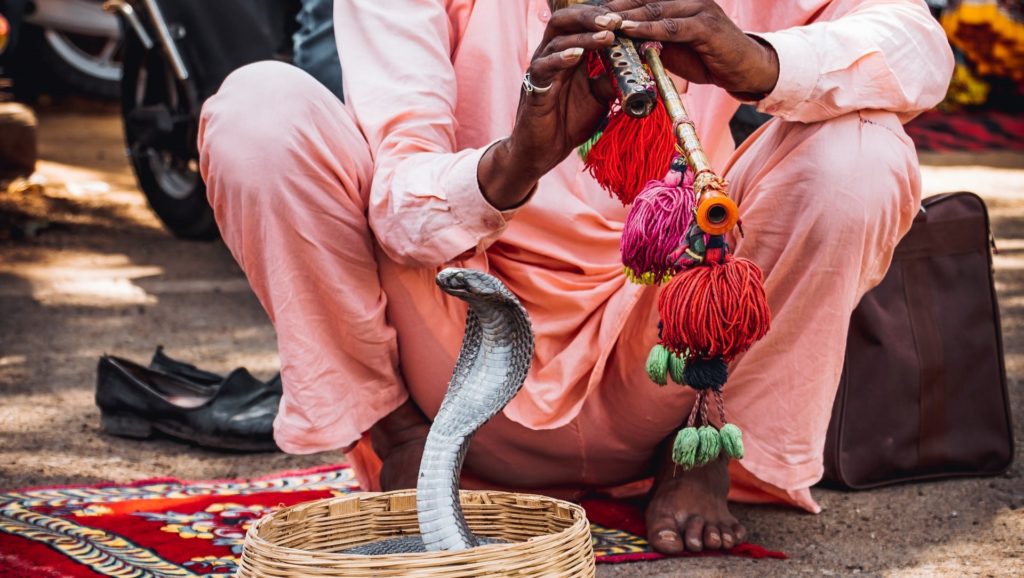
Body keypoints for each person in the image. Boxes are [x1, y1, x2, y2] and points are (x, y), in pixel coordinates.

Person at [198, 0, 953, 554]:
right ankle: (399, 438)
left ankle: (715, 452)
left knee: (861, 152)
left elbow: (922, 51)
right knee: (260, 112)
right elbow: (399, 215)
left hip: (668, 358)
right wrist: (511, 165)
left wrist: (759, 61)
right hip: (455, 351)